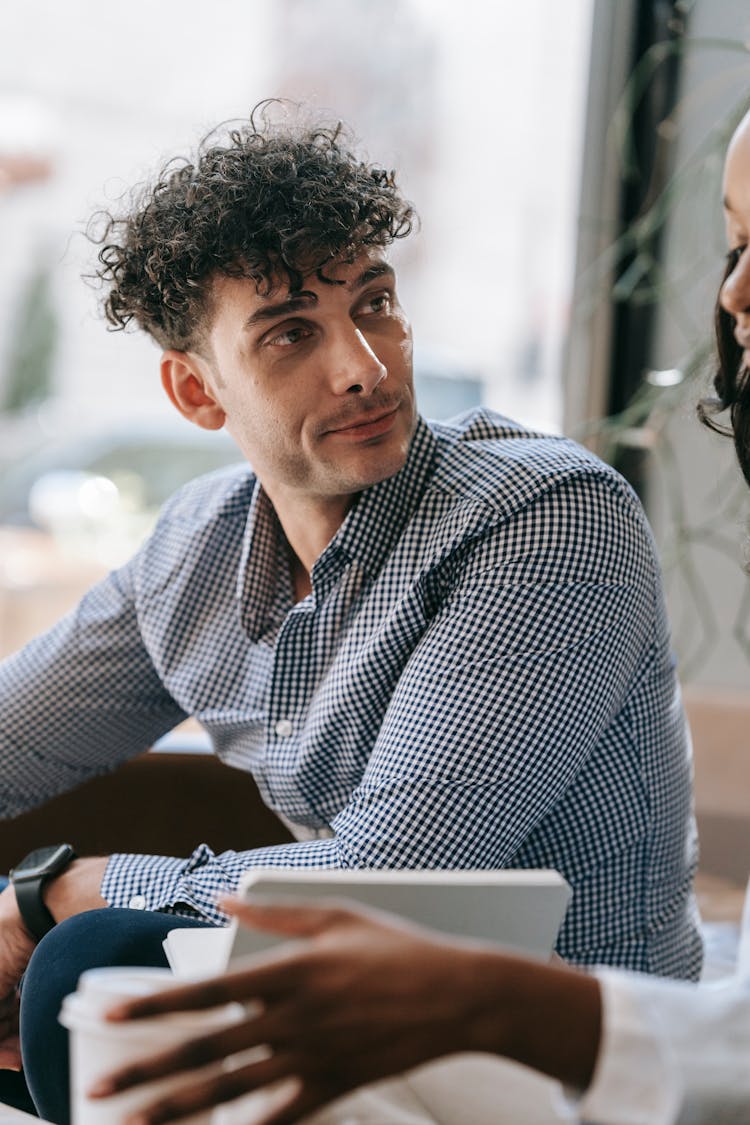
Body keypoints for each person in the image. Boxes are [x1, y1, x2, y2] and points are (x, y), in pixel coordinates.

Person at [0, 102, 700, 1122]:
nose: (365, 366)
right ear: (198, 393)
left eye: (374, 303)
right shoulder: (197, 548)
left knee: (92, 962)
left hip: (563, 1058)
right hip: (348, 1014)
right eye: (292, 334)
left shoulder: (548, 518)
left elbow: (399, 869)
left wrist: (62, 892)